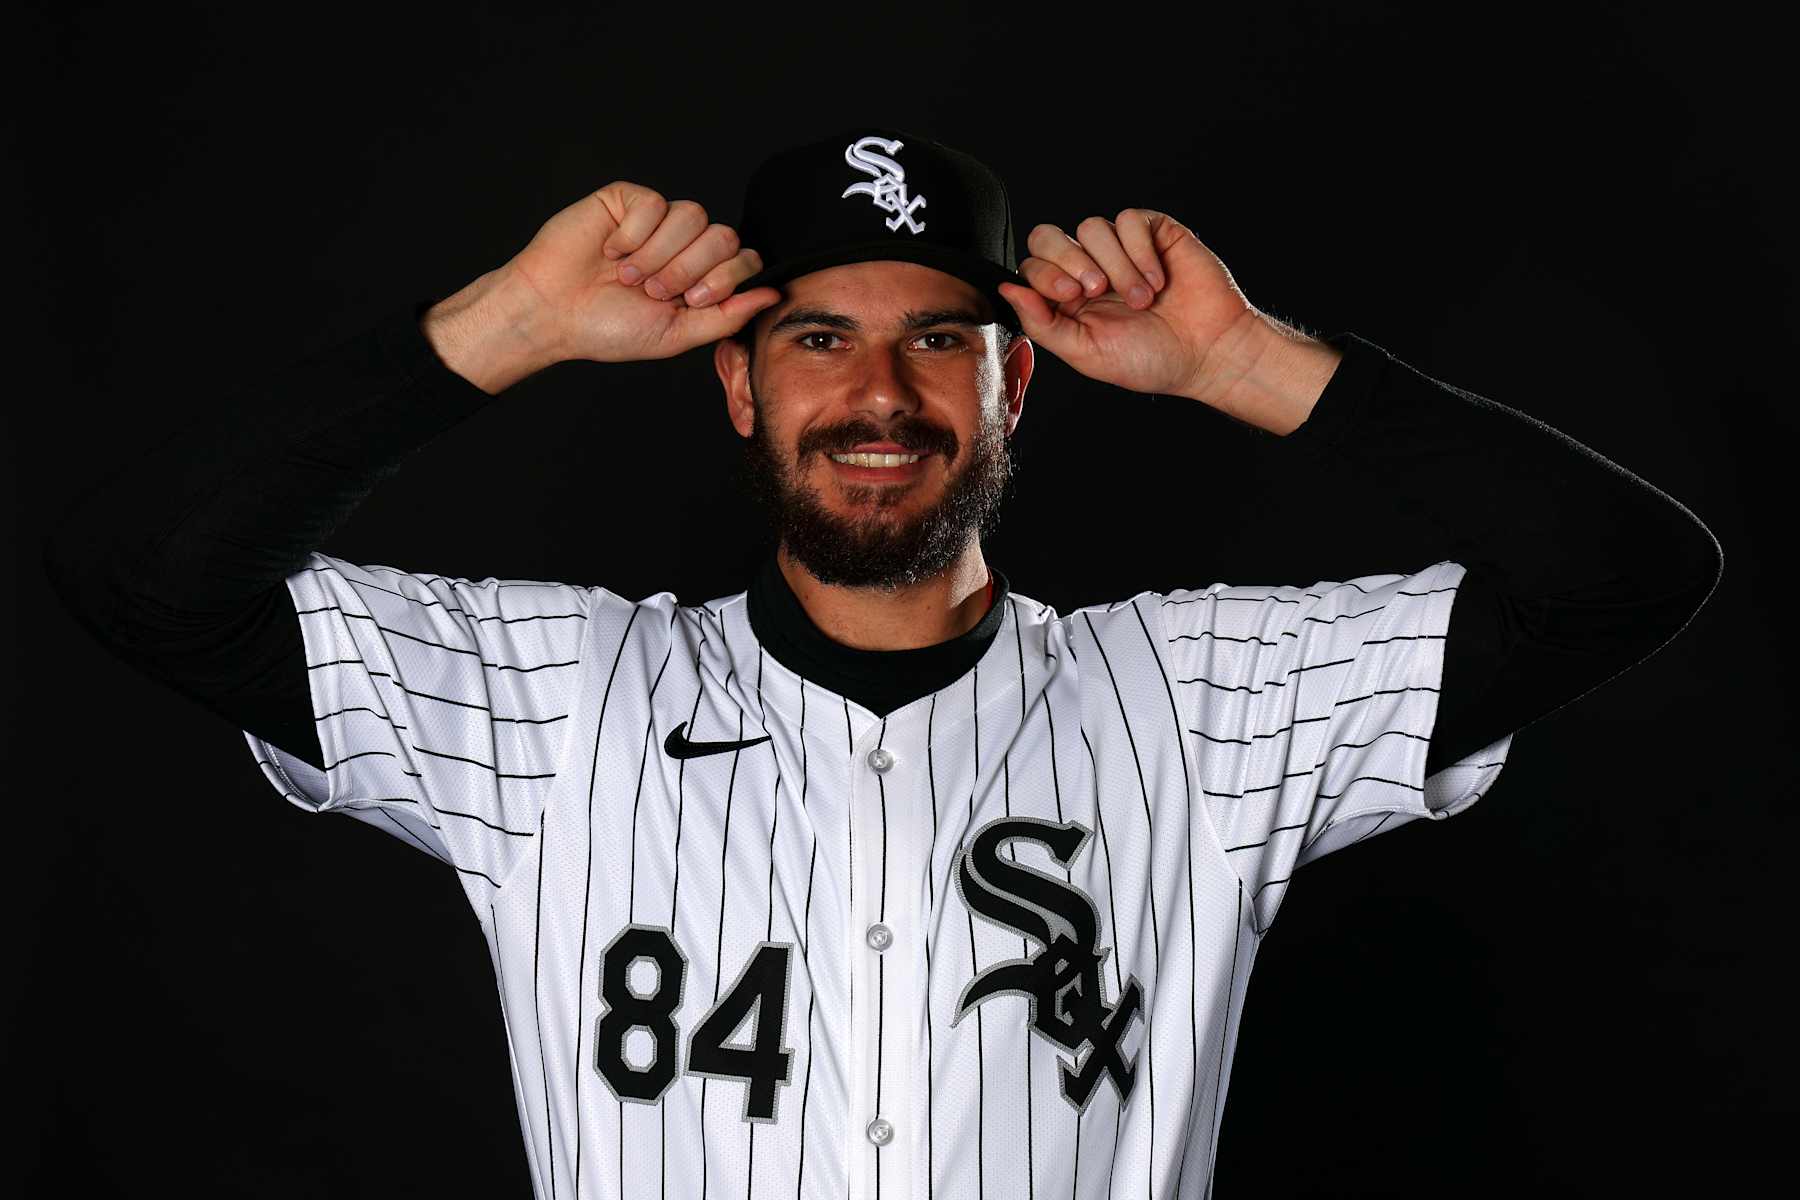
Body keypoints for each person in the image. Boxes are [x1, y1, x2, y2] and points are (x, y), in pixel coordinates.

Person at [42, 126, 1721, 1199]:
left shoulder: (1205, 702)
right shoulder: (552, 701)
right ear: (735, 385)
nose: (881, 397)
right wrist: (519, 326)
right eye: (818, 339)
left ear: (1016, 388)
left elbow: (1624, 577)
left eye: (941, 340)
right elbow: (148, 580)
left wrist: (1236, 357)